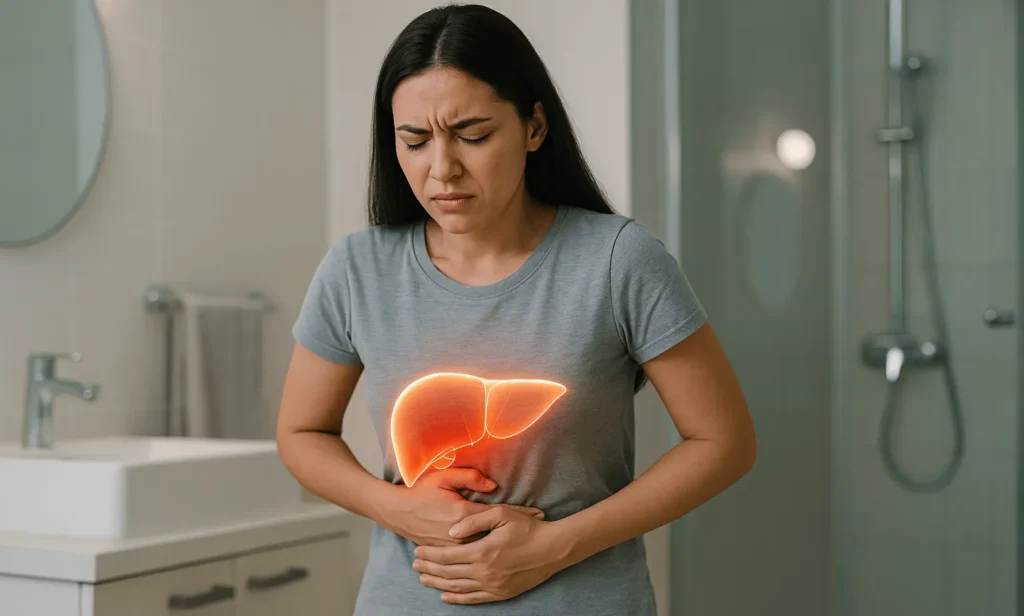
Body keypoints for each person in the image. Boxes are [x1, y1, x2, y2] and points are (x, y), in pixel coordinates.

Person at [276, 4, 756, 614]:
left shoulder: (616, 259)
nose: (442, 169)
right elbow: (300, 432)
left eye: (473, 135)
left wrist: (553, 547)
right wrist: (396, 507)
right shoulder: (357, 269)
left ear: (534, 127)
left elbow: (724, 441)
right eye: (415, 141)